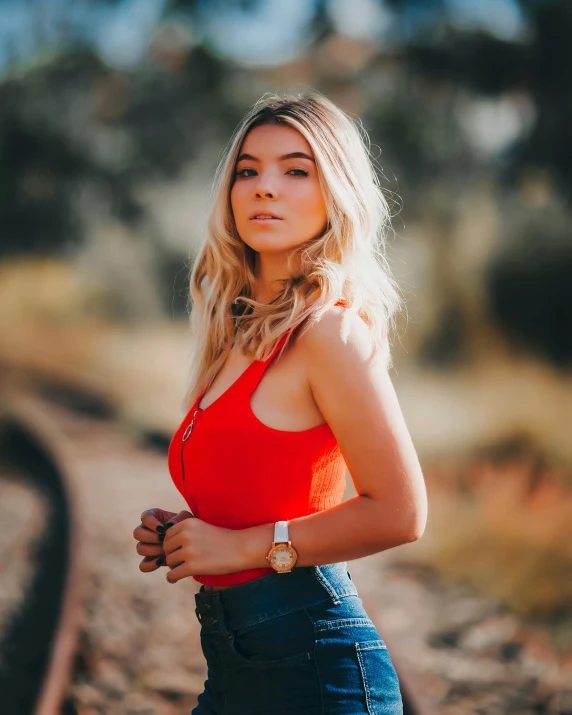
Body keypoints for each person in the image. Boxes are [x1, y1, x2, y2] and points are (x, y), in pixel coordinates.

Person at [133, 91, 427, 714]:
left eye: (297, 170)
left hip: (317, 669)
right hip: (235, 665)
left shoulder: (329, 333)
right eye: (249, 169)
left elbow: (402, 513)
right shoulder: (234, 332)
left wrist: (240, 548)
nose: (265, 187)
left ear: (336, 193)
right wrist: (186, 534)